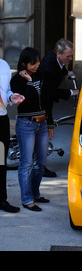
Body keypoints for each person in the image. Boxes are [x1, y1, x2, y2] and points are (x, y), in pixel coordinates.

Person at [10, 47, 53, 212]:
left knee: (41, 162)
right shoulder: (17, 80)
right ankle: (27, 200)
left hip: (42, 123)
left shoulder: (41, 75)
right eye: (33, 63)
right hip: (26, 124)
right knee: (26, 163)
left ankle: (35, 193)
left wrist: (50, 123)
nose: (37, 65)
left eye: (37, 62)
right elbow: (26, 102)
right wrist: (28, 83)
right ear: (23, 63)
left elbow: (47, 100)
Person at [39, 39, 79, 177]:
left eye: (71, 55)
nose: (70, 58)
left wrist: (66, 73)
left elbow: (60, 68)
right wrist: (70, 92)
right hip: (42, 100)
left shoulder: (56, 59)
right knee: (45, 130)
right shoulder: (48, 68)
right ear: (59, 54)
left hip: (46, 96)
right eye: (68, 56)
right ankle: (40, 166)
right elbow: (49, 92)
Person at [0, 39, 25, 213]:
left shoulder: (3, 66)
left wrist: (11, 97)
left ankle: (2, 200)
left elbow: (6, 90)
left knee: (1, 162)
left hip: (1, 119)